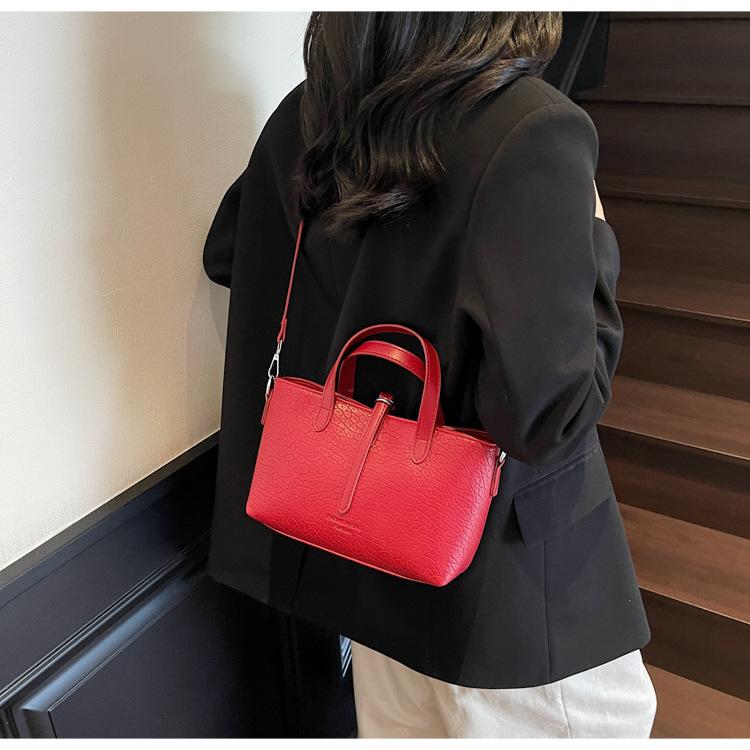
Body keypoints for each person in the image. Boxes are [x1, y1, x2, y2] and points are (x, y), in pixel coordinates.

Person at [202, 11, 657, 738]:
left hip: (361, 550)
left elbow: (229, 253)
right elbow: (553, 413)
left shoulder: (309, 112)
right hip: (503, 592)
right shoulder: (529, 124)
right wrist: (593, 234)